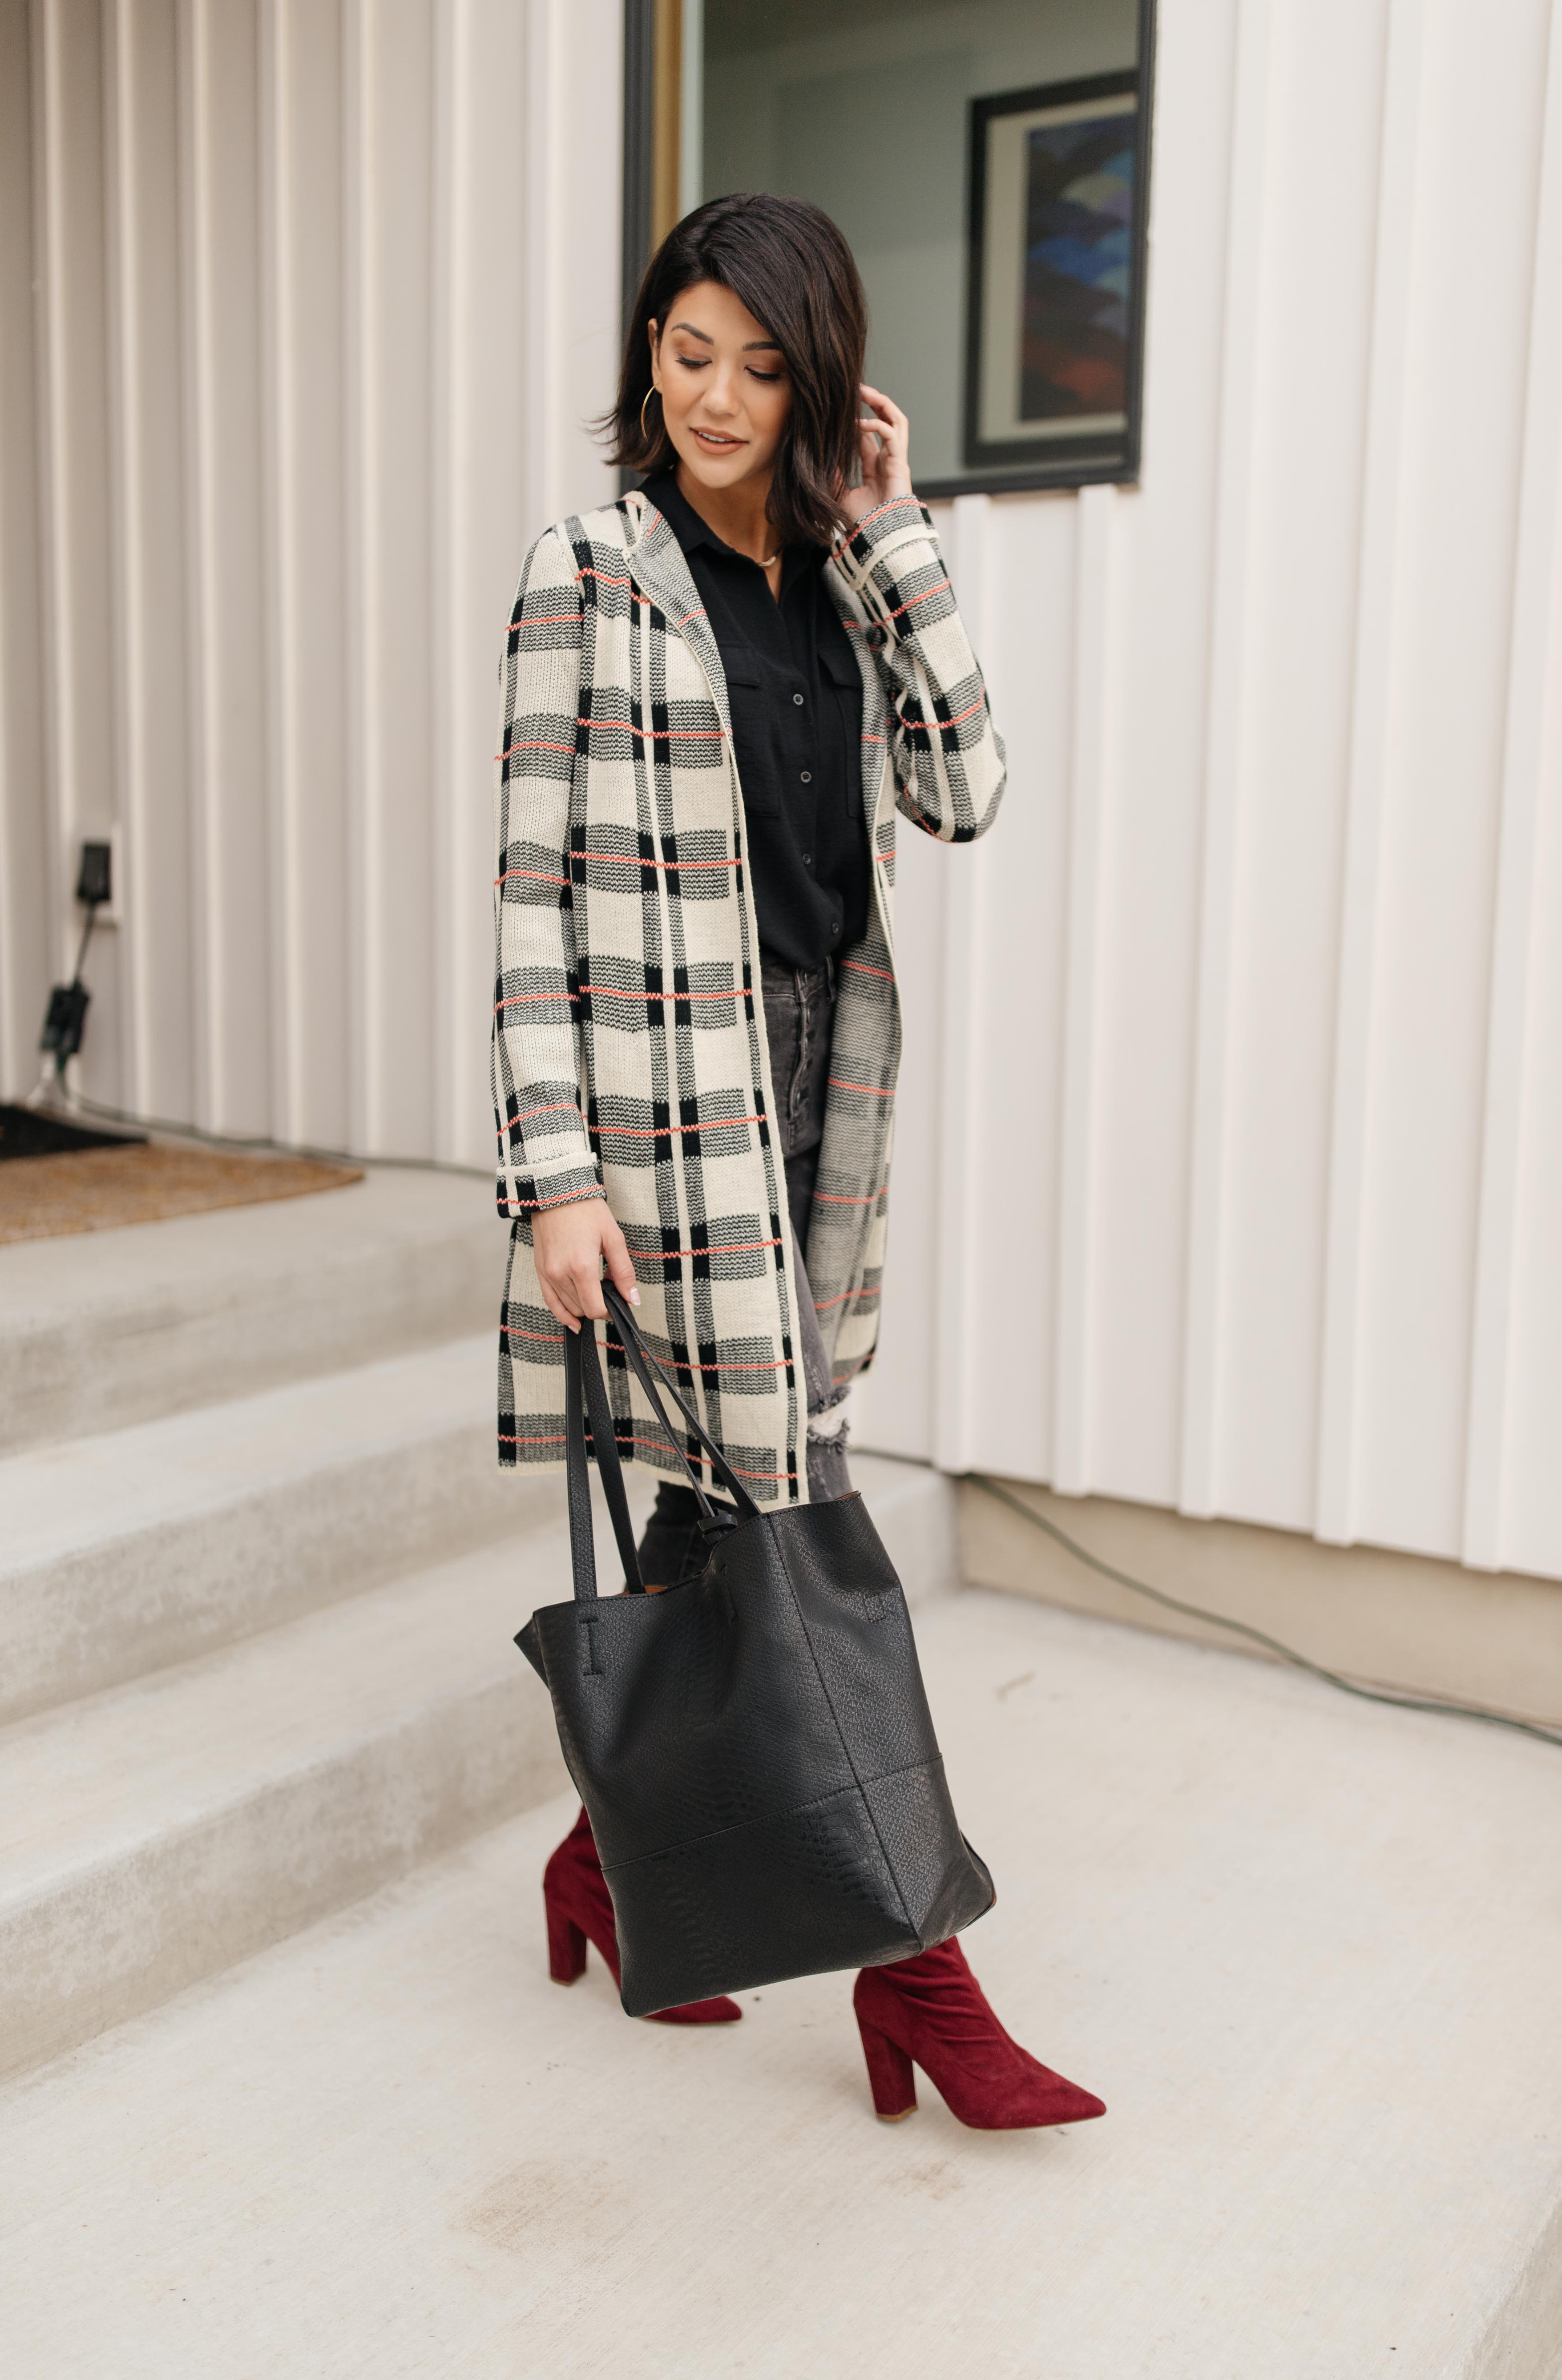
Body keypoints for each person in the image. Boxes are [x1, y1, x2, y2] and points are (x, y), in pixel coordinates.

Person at [491, 193, 1103, 2130]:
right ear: (644, 352)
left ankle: (599, 1865)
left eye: (762, 365)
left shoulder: (844, 571)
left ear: (821, 378)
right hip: (661, 1121)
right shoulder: (591, 562)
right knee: (799, 1501)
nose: (716, 397)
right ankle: (923, 1974)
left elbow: (965, 788)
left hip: (818, 1105)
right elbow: (527, 897)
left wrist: (902, 537)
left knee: (716, 1499)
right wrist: (553, 1172)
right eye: (686, 353)